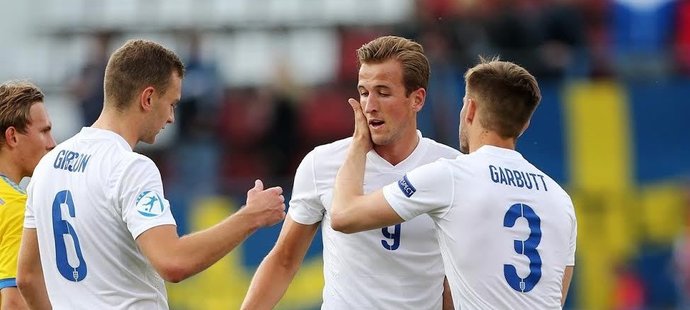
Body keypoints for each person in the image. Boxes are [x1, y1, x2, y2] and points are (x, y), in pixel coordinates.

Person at [16, 39, 286, 310]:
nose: (171, 117)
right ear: (147, 98)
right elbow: (173, 262)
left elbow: (27, 277)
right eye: (171, 103)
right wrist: (251, 217)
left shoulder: (49, 165)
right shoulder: (130, 167)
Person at [331, 58, 577, 309]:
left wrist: (360, 142)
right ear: (524, 125)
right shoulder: (560, 200)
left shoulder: (450, 176)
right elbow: (556, 296)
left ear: (470, 109)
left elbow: (343, 215)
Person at [242, 35, 459, 309]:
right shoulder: (322, 163)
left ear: (417, 99)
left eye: (383, 92)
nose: (369, 106)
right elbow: (284, 260)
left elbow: (453, 278)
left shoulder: (451, 168)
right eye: (364, 92)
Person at [0, 81, 56, 310]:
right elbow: (14, 301)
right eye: (44, 131)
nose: (53, 144)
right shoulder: (17, 208)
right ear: (13, 136)